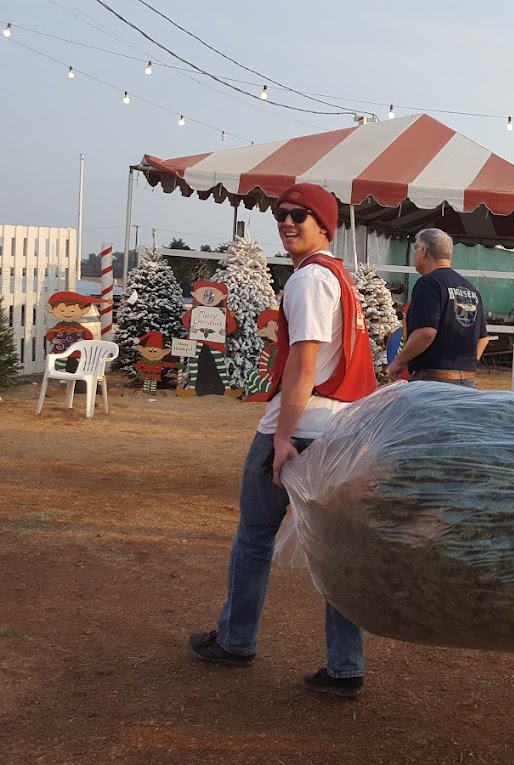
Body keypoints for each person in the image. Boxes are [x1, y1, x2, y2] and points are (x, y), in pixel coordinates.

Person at [189, 182, 378, 699]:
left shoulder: (309, 279)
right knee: (337, 550)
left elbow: (303, 365)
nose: (288, 222)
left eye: (301, 215)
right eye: (282, 214)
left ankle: (236, 640)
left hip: (302, 426)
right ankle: (345, 665)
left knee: (254, 536)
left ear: (325, 225)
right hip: (342, 428)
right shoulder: (338, 277)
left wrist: (282, 440)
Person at [388, 228, 490, 386]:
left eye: (415, 248)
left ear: (423, 251)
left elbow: (426, 333)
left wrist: (399, 362)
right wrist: (464, 367)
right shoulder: (471, 290)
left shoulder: (428, 284)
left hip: (432, 380)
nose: (414, 254)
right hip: (467, 380)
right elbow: (482, 339)